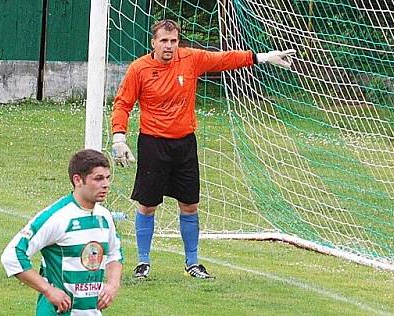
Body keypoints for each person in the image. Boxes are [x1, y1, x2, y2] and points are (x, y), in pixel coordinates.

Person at [110, 19, 295, 279]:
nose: (169, 46)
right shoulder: (139, 69)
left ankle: (193, 263)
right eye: (164, 41)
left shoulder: (190, 59)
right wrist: (119, 138)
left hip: (185, 144)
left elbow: (224, 59)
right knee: (147, 205)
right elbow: (123, 104)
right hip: (153, 144)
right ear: (153, 42)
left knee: (189, 205)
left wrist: (263, 57)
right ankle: (143, 263)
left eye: (174, 41)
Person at [1, 149, 123, 315]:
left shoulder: (105, 216)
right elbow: (12, 255)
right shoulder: (57, 217)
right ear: (78, 180)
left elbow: (115, 253)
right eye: (98, 178)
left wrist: (112, 285)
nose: (106, 184)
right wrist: (48, 290)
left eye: (107, 178)